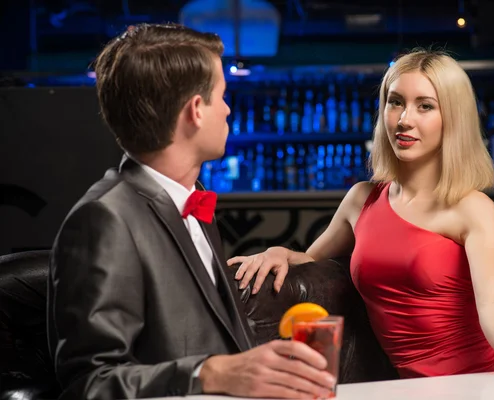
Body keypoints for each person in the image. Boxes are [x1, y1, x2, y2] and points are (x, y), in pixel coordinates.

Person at [228, 49, 494, 378]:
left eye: (425, 106)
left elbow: (492, 305)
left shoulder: (472, 208)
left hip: (485, 379)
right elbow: (312, 259)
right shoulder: (362, 199)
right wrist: (279, 253)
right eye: (395, 101)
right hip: (412, 390)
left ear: (453, 119)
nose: (404, 119)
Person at [47, 23, 335, 400]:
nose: (229, 110)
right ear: (196, 110)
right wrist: (210, 373)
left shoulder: (194, 200)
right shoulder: (103, 219)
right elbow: (88, 384)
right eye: (222, 96)